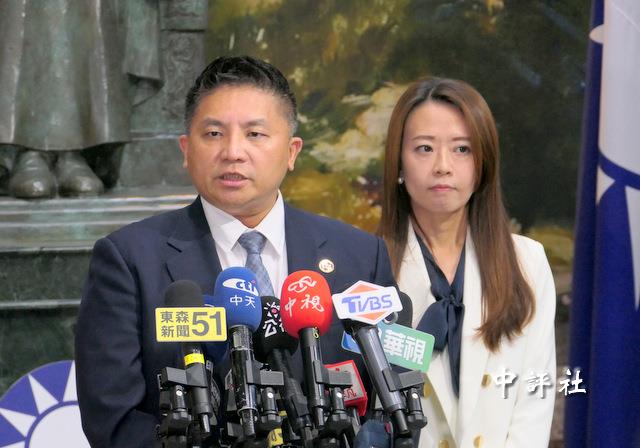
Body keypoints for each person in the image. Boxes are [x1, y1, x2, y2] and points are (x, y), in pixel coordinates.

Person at [74, 55, 396, 447]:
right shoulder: (128, 260)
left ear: (292, 151)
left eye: (255, 134)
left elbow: (389, 408)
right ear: (186, 149)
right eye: (213, 133)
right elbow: (114, 421)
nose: (233, 151)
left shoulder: (360, 257)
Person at [378, 78, 556, 447]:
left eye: (462, 149)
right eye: (424, 148)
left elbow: (534, 397)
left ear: (483, 164)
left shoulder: (527, 261)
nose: (443, 166)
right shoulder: (368, 267)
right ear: (398, 163)